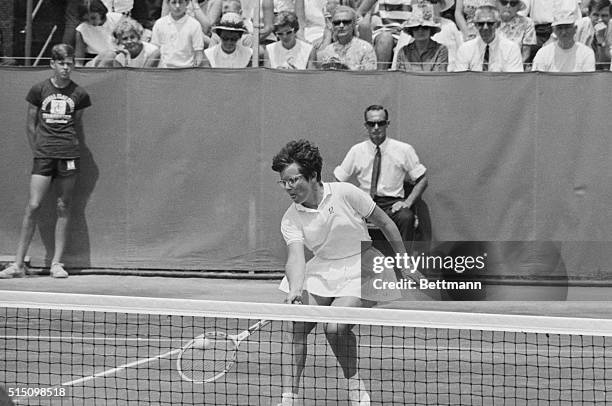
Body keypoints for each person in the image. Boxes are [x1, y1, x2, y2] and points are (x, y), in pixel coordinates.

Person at [272, 139, 419, 406]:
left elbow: (386, 223)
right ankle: (289, 398)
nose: (288, 188)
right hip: (322, 268)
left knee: (335, 327)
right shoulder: (290, 218)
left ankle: (354, 385)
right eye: (284, 182)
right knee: (297, 325)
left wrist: (404, 262)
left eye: (293, 180)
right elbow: (295, 258)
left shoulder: (345, 193)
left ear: (313, 175)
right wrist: (295, 289)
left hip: (361, 266)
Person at [0, 44, 91, 280]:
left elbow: (77, 124)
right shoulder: (38, 90)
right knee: (33, 206)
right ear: (52, 64)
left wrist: (67, 146)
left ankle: (57, 264)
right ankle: (18, 264)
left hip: (69, 155)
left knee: (63, 205)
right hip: (43, 156)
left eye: (69, 63)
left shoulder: (79, 94)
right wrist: (38, 149)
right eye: (61, 63)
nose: (66, 68)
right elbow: (30, 123)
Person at [334, 105, 430, 245]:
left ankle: (403, 264)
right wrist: (346, 204)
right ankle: (352, 263)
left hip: (391, 205)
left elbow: (422, 180)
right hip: (365, 203)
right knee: (341, 217)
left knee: (406, 217)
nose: (376, 127)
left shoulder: (403, 150)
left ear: (387, 124)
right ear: (366, 126)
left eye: (381, 123)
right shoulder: (357, 151)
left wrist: (407, 203)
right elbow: (338, 179)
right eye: (372, 124)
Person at [453, 4, 524, 71]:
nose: (485, 27)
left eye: (490, 23)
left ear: (498, 24)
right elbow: (460, 79)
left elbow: (514, 79)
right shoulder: (465, 49)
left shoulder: (511, 49)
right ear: (475, 25)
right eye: (481, 23)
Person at [532, 8, 596, 71]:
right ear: (554, 30)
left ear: (575, 29)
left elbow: (588, 79)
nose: (564, 32)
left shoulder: (586, 53)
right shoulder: (543, 53)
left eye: (567, 27)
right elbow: (538, 78)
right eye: (559, 28)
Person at [151, 0, 205, 68]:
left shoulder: (195, 25)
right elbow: (154, 50)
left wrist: (194, 68)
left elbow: (198, 53)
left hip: (187, 70)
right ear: (168, 3)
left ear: (187, 3)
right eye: (174, 2)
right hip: (164, 70)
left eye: (180, 2)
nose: (177, 6)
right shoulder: (159, 24)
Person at [74, 0, 125, 66]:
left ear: (101, 12)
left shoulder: (118, 19)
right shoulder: (81, 30)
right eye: (86, 20)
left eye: (93, 18)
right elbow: (79, 60)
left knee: (110, 55)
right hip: (94, 61)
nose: (91, 22)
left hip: (119, 58)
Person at [497, 0, 536, 65]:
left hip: (516, 68)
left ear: (518, 7)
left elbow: (526, 53)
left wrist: (515, 69)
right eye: (504, 2)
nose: (508, 6)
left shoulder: (527, 23)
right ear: (497, 4)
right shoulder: (488, 22)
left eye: (513, 3)